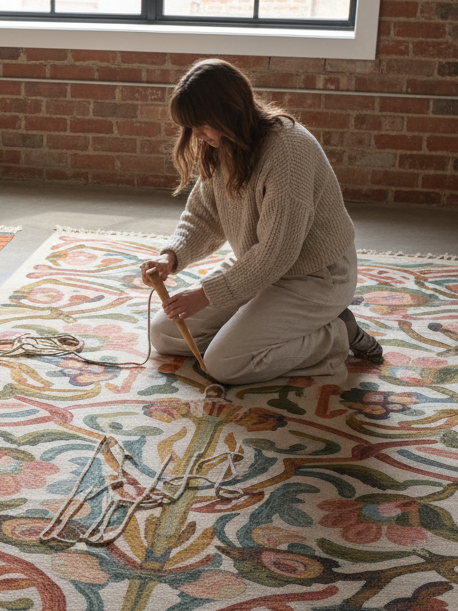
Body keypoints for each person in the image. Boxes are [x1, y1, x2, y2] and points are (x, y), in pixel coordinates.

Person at [140, 58, 384, 385]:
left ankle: (337, 333)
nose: (195, 133)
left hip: (315, 275)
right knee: (164, 334)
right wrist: (170, 256)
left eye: (201, 123)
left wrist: (204, 294)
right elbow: (203, 216)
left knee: (224, 364)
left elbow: (277, 254)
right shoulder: (219, 143)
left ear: (228, 111)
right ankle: (261, 336)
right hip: (257, 266)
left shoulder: (288, 152)